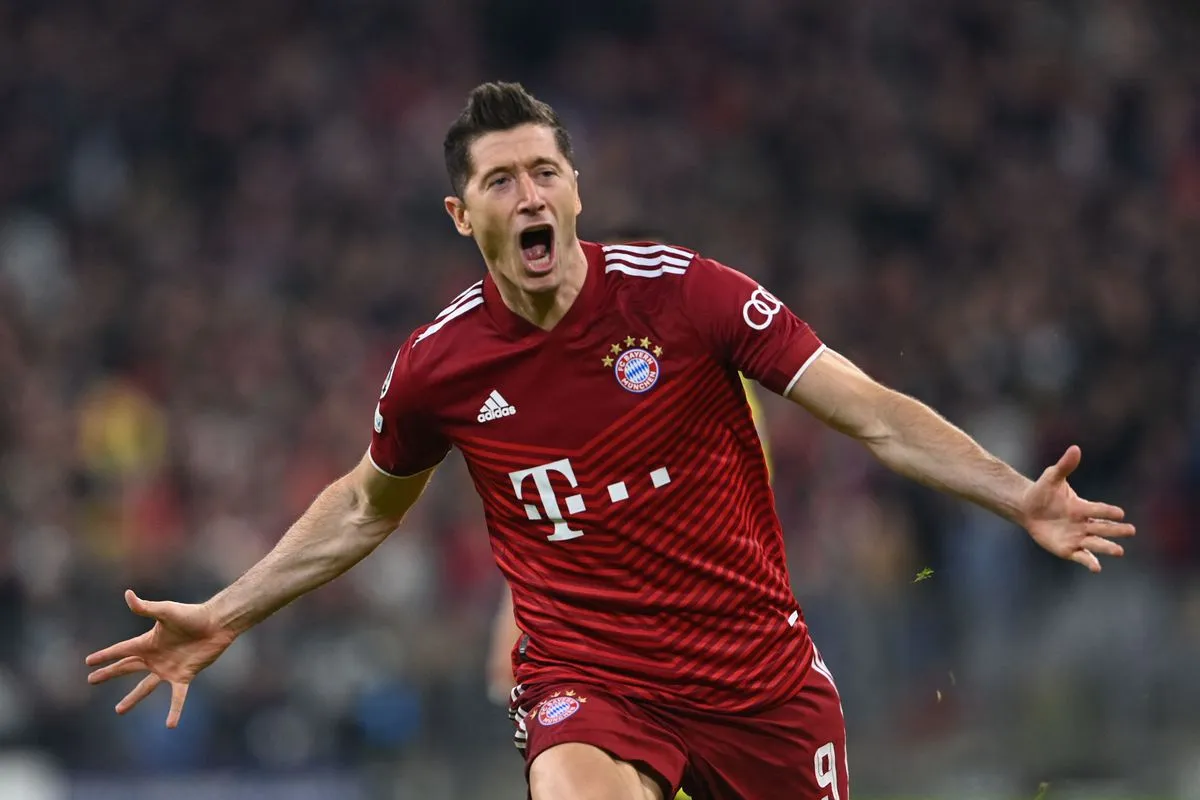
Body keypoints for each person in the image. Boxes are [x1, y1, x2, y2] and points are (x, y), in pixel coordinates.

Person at [85, 82, 1135, 800]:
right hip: (592, 681)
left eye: (544, 170)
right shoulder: (439, 367)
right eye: (500, 180)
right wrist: (224, 612)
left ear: (577, 188)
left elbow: (865, 407)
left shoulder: (687, 295)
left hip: (760, 678)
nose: (529, 193)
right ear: (463, 214)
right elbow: (365, 504)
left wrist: (1015, 494)